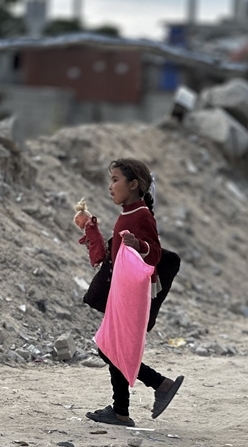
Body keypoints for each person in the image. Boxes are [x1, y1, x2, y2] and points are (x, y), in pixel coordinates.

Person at [77, 158, 184, 427]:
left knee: (110, 347)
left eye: (116, 180)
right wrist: (91, 231)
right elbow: (111, 255)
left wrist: (139, 245)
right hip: (121, 290)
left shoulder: (142, 215)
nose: (110, 186)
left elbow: (155, 254)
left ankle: (158, 386)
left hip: (132, 293)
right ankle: (122, 410)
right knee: (112, 346)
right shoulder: (127, 213)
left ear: (133, 184)